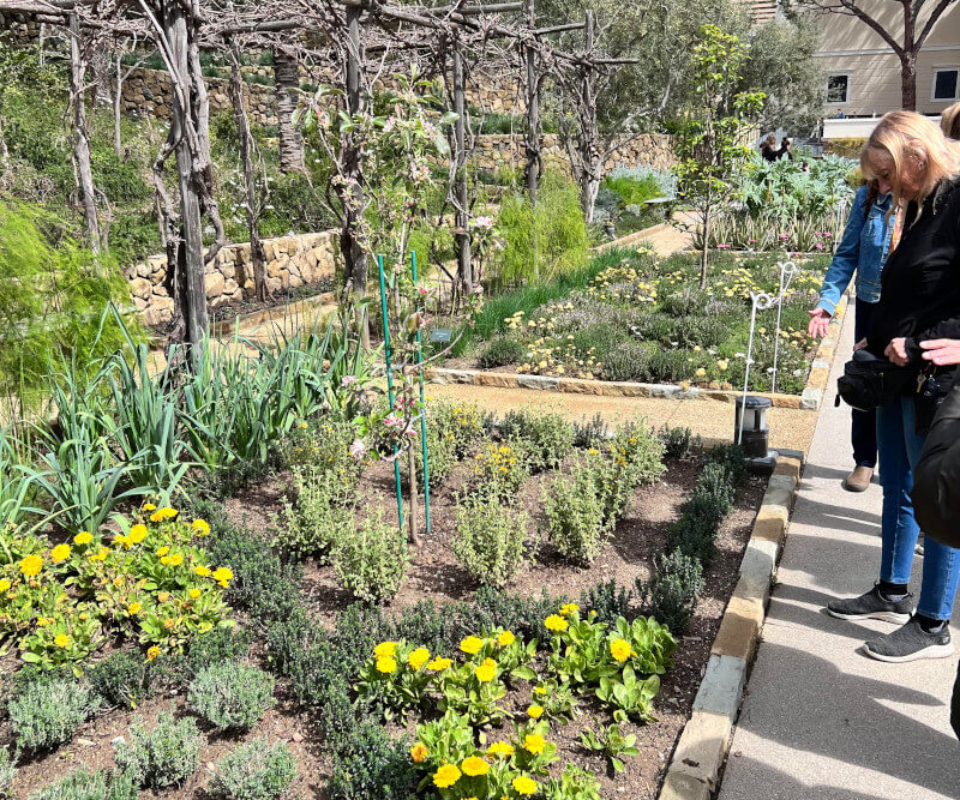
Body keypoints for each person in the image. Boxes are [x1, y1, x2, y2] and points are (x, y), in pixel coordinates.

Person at [826, 110, 960, 663]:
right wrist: (874, 338)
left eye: (886, 177)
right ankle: (892, 591)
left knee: (936, 495)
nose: (880, 189)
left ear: (916, 159)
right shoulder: (919, 203)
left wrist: (950, 339)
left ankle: (932, 624)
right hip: (894, 367)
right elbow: (906, 287)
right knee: (895, 483)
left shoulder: (956, 204)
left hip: (932, 372)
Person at [808, 176, 895, 492]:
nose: (884, 183)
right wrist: (828, 302)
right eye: (879, 175)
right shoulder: (867, 197)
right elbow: (847, 254)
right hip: (872, 304)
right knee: (866, 381)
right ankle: (864, 461)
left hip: (910, 311)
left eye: (889, 174)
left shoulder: (925, 199)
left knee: (909, 390)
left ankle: (902, 469)